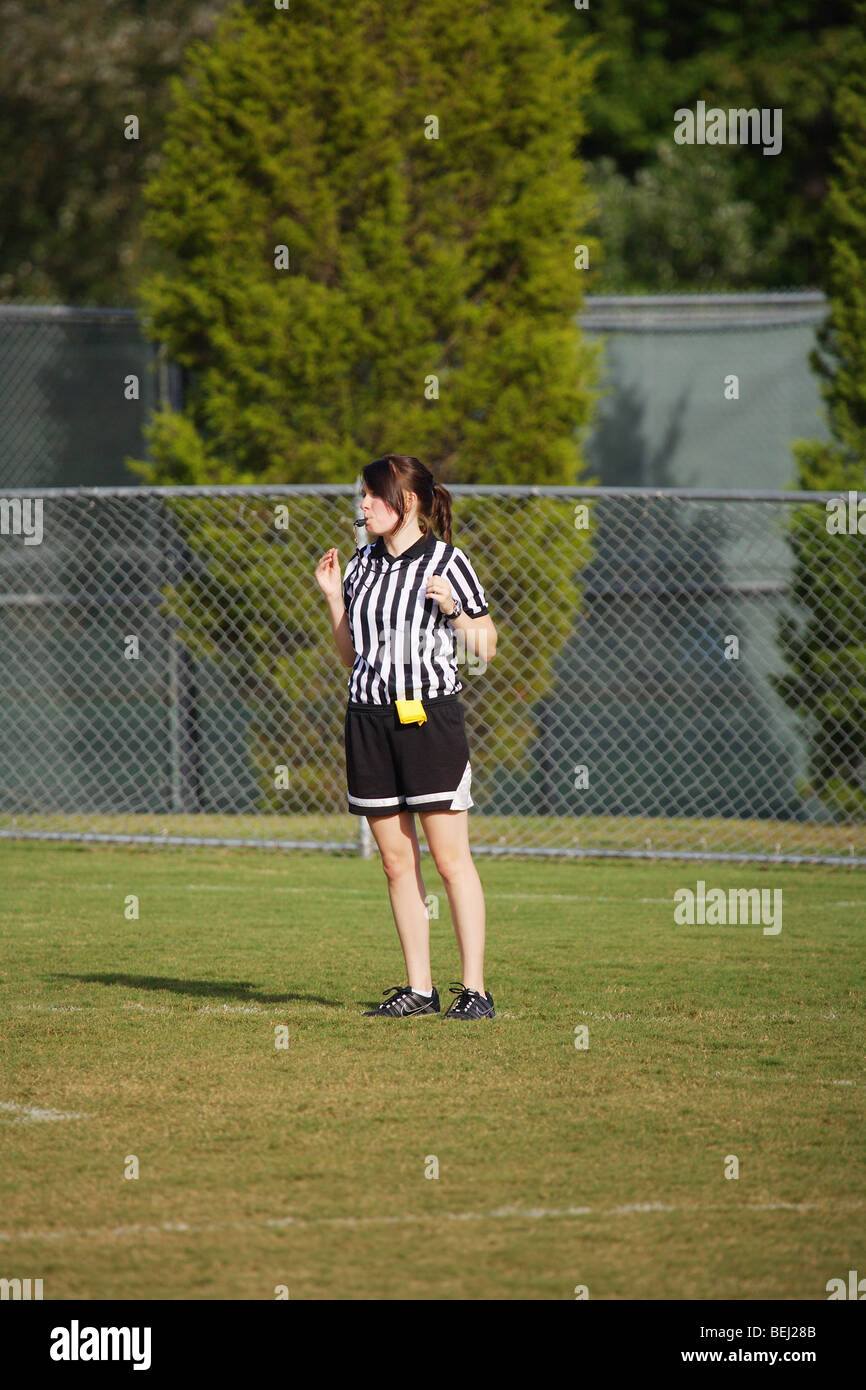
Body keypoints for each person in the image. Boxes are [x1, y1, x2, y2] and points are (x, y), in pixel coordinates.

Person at [314, 454, 498, 1020]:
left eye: (372, 495)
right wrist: (333, 597)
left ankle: (475, 991)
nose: (363, 504)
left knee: (449, 860)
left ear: (407, 501)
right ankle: (420, 989)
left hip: (428, 721)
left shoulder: (449, 561)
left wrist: (456, 612)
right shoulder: (360, 565)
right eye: (362, 495)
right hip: (368, 720)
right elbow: (351, 656)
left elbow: (486, 646)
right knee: (396, 863)